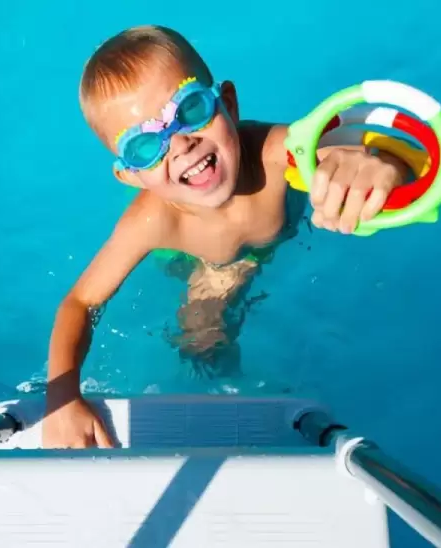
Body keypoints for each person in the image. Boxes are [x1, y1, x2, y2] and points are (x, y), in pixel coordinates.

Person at [43, 25, 408, 449]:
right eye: (144, 146)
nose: (181, 143)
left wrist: (379, 166)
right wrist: (62, 399)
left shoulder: (273, 153)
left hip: (256, 243)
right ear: (132, 175)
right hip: (201, 261)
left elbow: (352, 151)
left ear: (229, 104)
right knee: (201, 344)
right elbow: (80, 301)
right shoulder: (151, 221)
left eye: (191, 108)